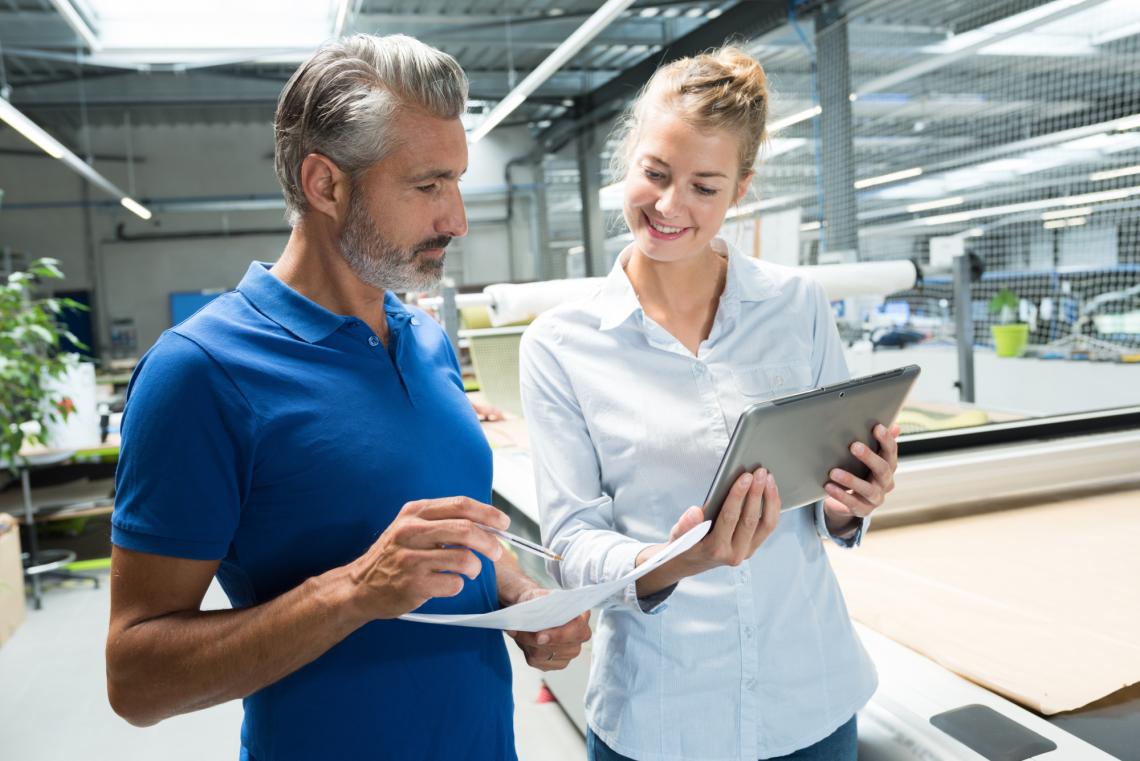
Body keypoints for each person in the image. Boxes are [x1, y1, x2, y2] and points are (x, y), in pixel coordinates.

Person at [105, 34, 589, 761]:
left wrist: (519, 596)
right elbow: (135, 678)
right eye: (428, 186)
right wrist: (354, 590)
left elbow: (458, 544)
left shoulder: (425, 343)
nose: (456, 218)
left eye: (456, 181)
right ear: (325, 184)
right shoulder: (200, 372)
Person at [519, 47, 901, 761]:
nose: (669, 206)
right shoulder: (560, 345)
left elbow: (825, 503)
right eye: (655, 174)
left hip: (808, 699)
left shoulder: (797, 308)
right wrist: (669, 561)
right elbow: (569, 545)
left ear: (741, 189)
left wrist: (853, 498)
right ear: (628, 160)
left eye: (704, 186)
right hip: (664, 715)